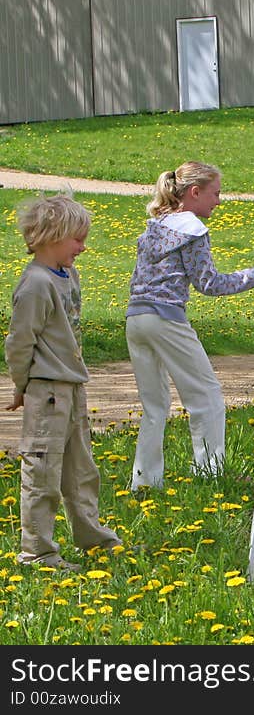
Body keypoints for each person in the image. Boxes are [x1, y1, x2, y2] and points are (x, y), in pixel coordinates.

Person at [126, 161, 254, 492]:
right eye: (216, 193)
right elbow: (208, 283)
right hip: (166, 319)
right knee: (205, 397)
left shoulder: (154, 227)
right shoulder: (192, 230)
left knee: (154, 407)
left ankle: (144, 483)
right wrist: (253, 276)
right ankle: (210, 476)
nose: (219, 202)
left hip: (136, 318)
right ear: (195, 192)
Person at [4, 194, 123, 571]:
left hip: (73, 388)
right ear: (51, 236)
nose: (83, 247)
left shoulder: (68, 275)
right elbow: (19, 341)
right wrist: (22, 386)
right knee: (43, 471)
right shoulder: (36, 284)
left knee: (81, 469)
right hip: (47, 391)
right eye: (77, 239)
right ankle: (37, 552)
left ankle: (93, 538)